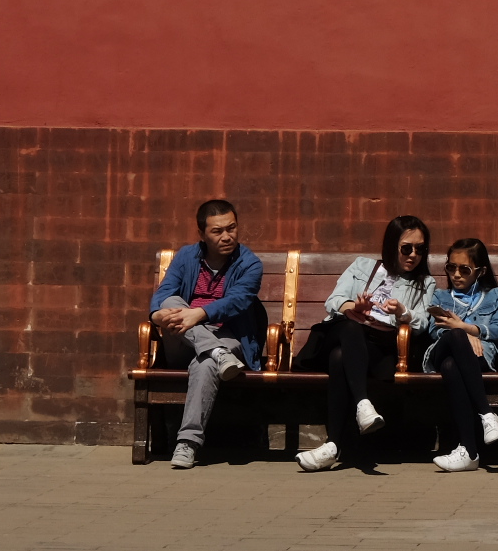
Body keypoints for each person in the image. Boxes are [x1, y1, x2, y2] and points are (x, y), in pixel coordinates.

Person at [294, 215, 435, 471]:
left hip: (379, 347)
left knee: (340, 358)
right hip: (342, 331)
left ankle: (333, 445)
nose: (413, 255)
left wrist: (403, 312)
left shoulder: (424, 283)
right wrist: (352, 307)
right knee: (349, 327)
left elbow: (424, 322)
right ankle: (363, 403)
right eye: (406, 248)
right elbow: (333, 300)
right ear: (392, 245)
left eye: (420, 249)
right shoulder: (362, 266)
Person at [147, 198, 266, 469]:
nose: (227, 236)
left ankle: (187, 443)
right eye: (217, 231)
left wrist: (197, 315)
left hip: (229, 336)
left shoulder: (250, 264)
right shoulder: (187, 256)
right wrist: (157, 316)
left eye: (231, 228)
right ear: (202, 234)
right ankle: (216, 351)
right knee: (170, 303)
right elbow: (164, 294)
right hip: (182, 336)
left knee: (207, 362)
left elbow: (238, 300)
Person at [424, 238, 498, 472]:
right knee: (454, 338)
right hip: (439, 351)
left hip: (479, 357)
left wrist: (467, 328)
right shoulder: (441, 297)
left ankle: (469, 453)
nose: (456, 274)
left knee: (453, 366)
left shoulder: (494, 295)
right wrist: (461, 333)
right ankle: (487, 413)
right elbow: (433, 331)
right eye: (451, 267)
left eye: (465, 269)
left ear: (480, 271)